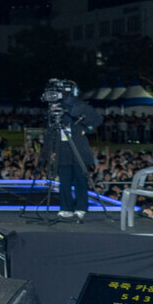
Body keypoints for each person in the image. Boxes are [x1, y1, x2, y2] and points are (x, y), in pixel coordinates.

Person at [53, 81, 102, 221]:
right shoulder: (57, 108)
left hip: (79, 149)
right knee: (64, 181)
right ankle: (66, 208)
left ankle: (81, 207)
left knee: (81, 180)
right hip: (63, 149)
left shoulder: (83, 107)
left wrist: (85, 130)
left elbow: (97, 120)